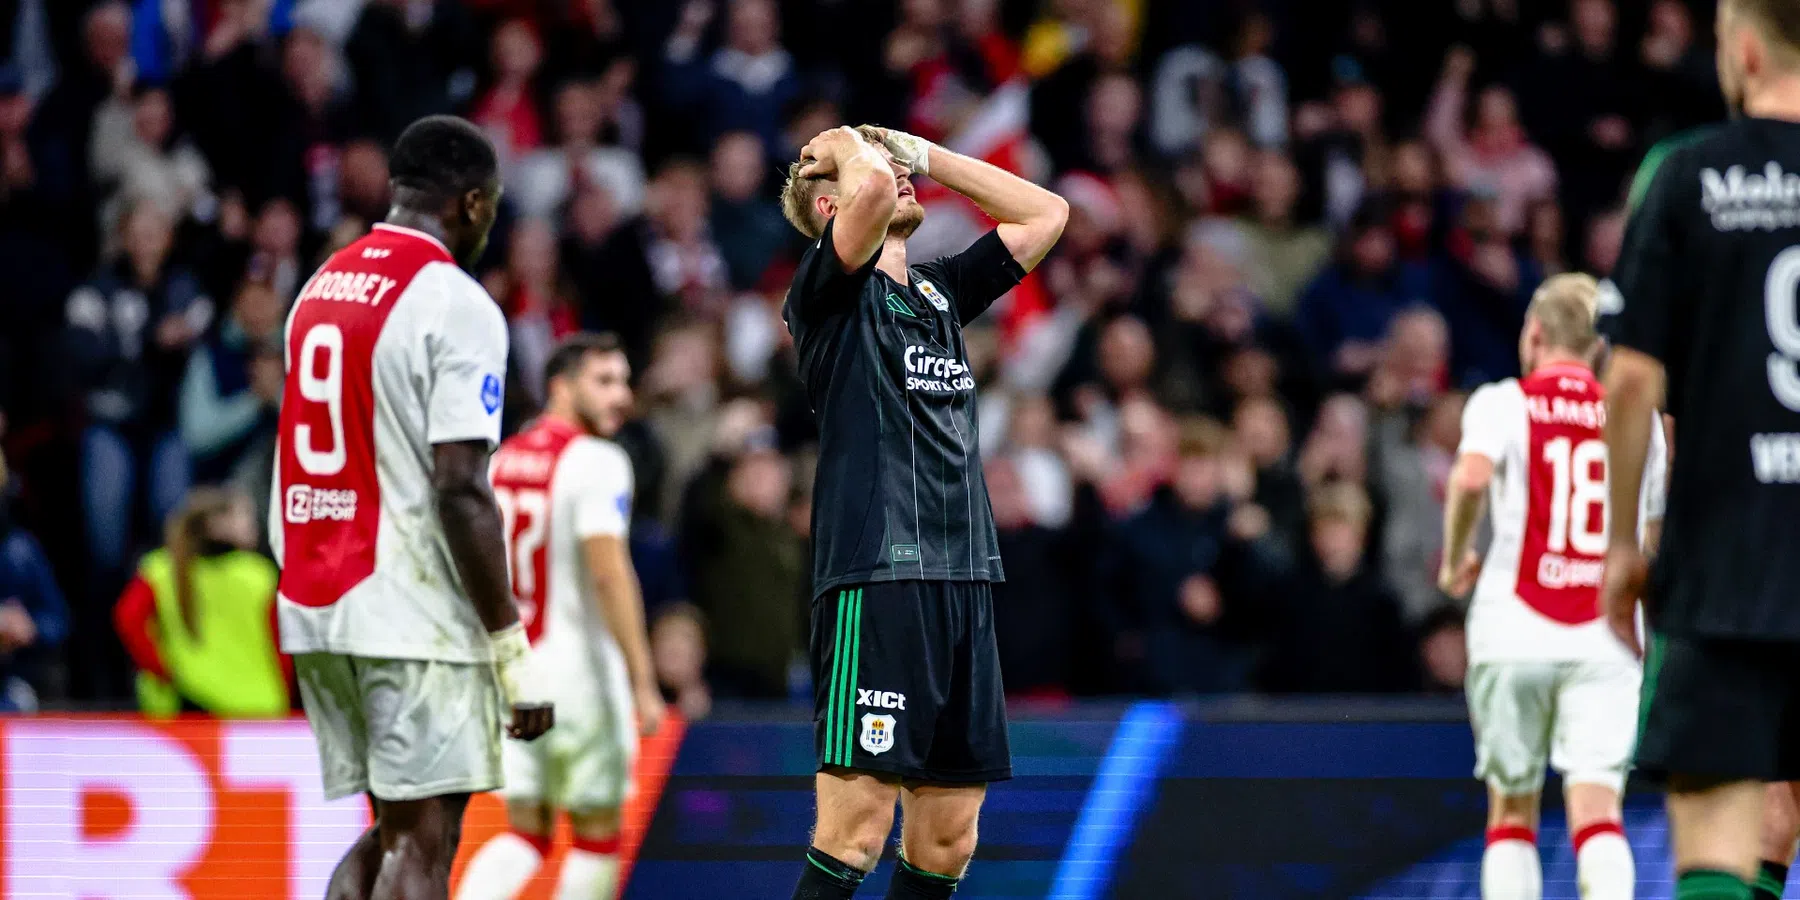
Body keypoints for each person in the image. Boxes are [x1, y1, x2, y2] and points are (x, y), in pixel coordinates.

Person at [777, 123, 1066, 898]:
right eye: (864, 176)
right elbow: (869, 187)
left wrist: (929, 156)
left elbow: (1046, 215)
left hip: (963, 574)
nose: (896, 180)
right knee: (856, 829)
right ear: (831, 204)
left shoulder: (938, 292)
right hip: (878, 578)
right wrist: (841, 139)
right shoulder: (827, 291)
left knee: (947, 839)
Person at [272, 115, 553, 900]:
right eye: (491, 207)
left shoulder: (320, 287)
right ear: (469, 202)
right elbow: (459, 486)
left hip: (321, 593)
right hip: (406, 606)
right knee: (423, 843)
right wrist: (509, 649)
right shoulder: (454, 302)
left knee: (396, 829)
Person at [1602, 2, 1800, 897]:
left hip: (1728, 561)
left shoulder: (1684, 176)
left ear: (1746, 50)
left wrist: (1621, 547)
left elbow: (1634, 381)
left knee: (1728, 825)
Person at [1441, 272, 1665, 900]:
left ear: (1533, 333)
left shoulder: (1501, 402)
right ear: (1599, 348)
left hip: (1513, 620)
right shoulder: (1636, 420)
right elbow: (1651, 536)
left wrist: (1456, 556)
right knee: (1597, 810)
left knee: (1512, 812)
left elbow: (1471, 477)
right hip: (1605, 631)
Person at [456, 333, 664, 900]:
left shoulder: (503, 459)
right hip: (581, 678)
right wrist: (644, 682)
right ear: (561, 387)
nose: (621, 396)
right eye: (603, 382)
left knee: (527, 832)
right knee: (597, 837)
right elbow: (608, 572)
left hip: (515, 675)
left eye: (624, 381)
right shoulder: (598, 461)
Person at [113, 486, 286, 717]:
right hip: (257, 707)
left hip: (185, 706)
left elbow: (128, 621)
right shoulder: (259, 575)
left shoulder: (159, 569)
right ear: (216, 524)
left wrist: (164, 672)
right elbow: (281, 645)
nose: (253, 524)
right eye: (243, 515)